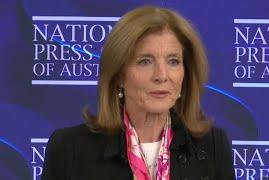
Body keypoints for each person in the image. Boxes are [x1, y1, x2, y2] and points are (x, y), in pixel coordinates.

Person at [41, 6, 235, 180]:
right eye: (145, 61)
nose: (161, 75)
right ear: (119, 75)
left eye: (173, 61)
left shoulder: (213, 146)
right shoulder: (68, 148)